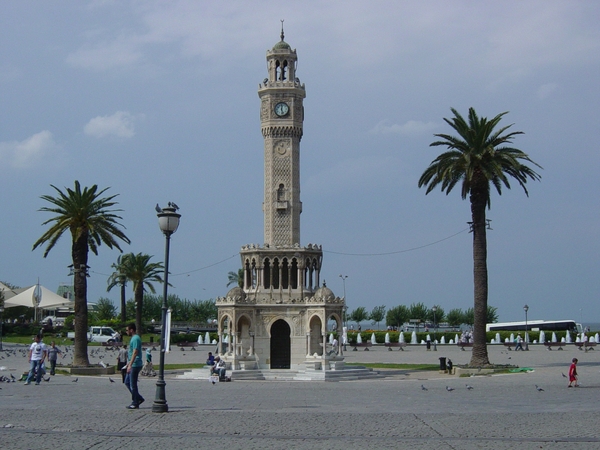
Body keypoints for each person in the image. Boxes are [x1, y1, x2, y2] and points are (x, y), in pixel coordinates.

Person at [124, 323, 145, 409]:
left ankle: (135, 402)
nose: (126, 332)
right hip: (132, 364)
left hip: (135, 364)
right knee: (127, 382)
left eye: (127, 330)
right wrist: (128, 363)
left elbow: (135, 352)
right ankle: (138, 398)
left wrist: (130, 364)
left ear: (131, 330)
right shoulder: (133, 338)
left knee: (133, 384)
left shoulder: (136, 338)